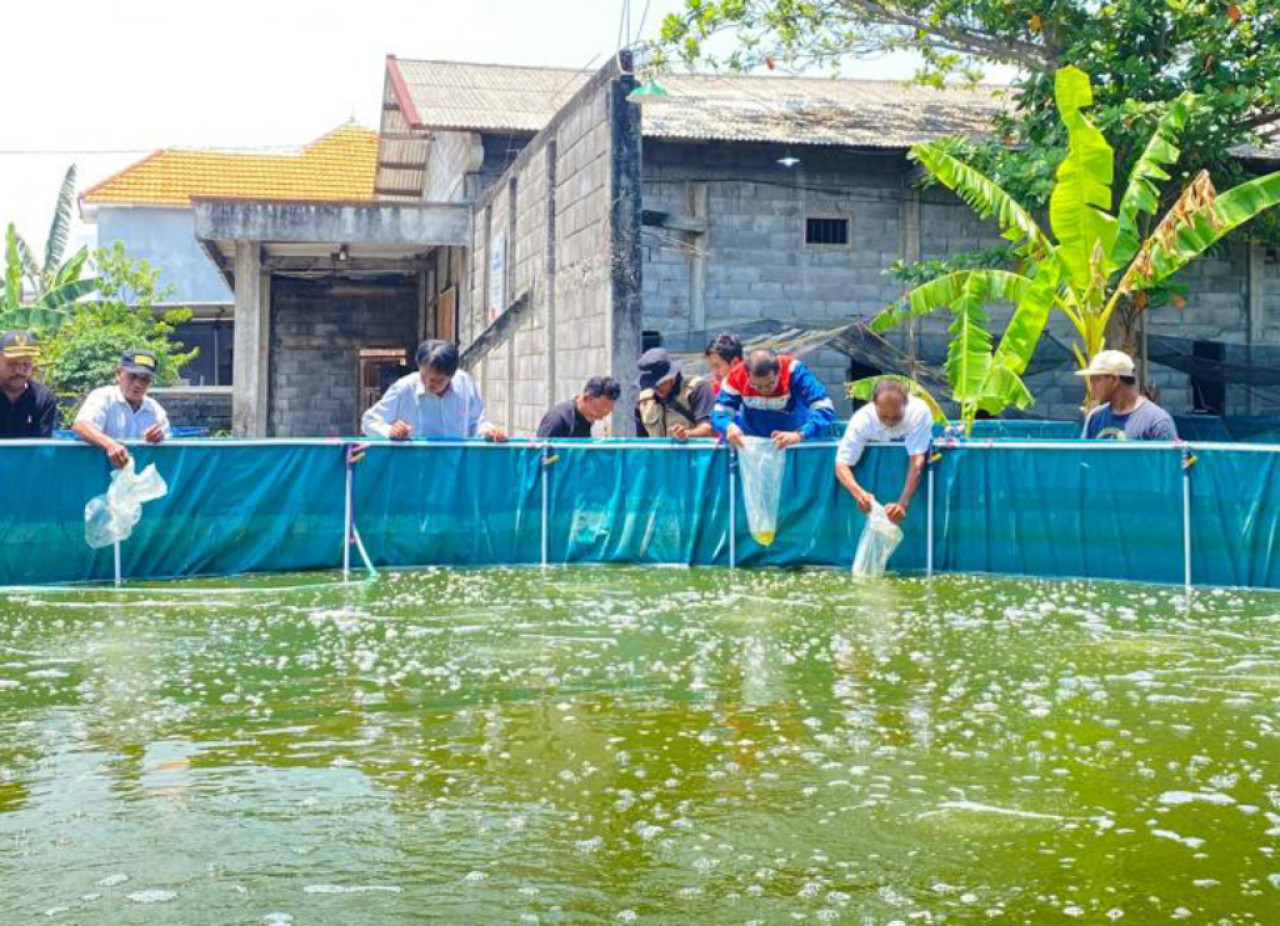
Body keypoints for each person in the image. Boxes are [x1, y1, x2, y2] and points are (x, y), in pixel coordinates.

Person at [361, 339, 507, 442]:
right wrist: (389, 431)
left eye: (437, 380)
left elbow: (475, 422)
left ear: (451, 375)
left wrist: (489, 431)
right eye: (424, 377)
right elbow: (369, 421)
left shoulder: (465, 383)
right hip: (417, 470)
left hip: (456, 471)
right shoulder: (403, 388)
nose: (429, 384)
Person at [833, 379, 931, 525]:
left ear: (906, 404)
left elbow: (917, 462)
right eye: (884, 416)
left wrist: (903, 504)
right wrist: (859, 494)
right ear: (874, 406)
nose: (890, 421)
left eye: (896, 417)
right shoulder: (862, 419)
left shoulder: (919, 411)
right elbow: (841, 465)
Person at [713, 348, 837, 449]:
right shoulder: (736, 377)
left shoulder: (793, 371)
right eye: (756, 386)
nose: (764, 390)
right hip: (754, 449)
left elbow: (825, 408)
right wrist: (728, 426)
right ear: (747, 375)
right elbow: (719, 413)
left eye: (770, 384)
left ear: (778, 372)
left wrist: (800, 434)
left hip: (794, 447)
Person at [73, 348, 171, 468]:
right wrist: (109, 445)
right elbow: (81, 426)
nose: (138, 384)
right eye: (132, 376)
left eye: (145, 379)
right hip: (101, 475)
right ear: (118, 374)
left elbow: (167, 451)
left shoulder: (156, 411)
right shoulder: (103, 397)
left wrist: (158, 440)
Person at [1077, 350, 1177, 441]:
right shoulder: (1095, 417)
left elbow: (1168, 460)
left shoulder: (1157, 421)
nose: (1091, 385)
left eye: (1096, 379)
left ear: (1114, 380)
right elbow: (1083, 458)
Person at [634, 347, 716, 440]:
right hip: (657, 454)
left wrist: (686, 433)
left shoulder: (697, 388)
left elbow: (707, 429)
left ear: (672, 378)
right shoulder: (643, 400)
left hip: (691, 454)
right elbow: (642, 441)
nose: (655, 388)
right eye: (651, 384)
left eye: (659, 383)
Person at [0, 330, 58, 439]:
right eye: (12, 364)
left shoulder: (43, 399)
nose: (19, 370)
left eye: (26, 364)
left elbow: (42, 448)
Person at [538, 376, 622, 438]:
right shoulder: (557, 420)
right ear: (586, 398)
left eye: (603, 415)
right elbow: (540, 456)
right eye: (596, 412)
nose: (599, 418)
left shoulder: (586, 419)